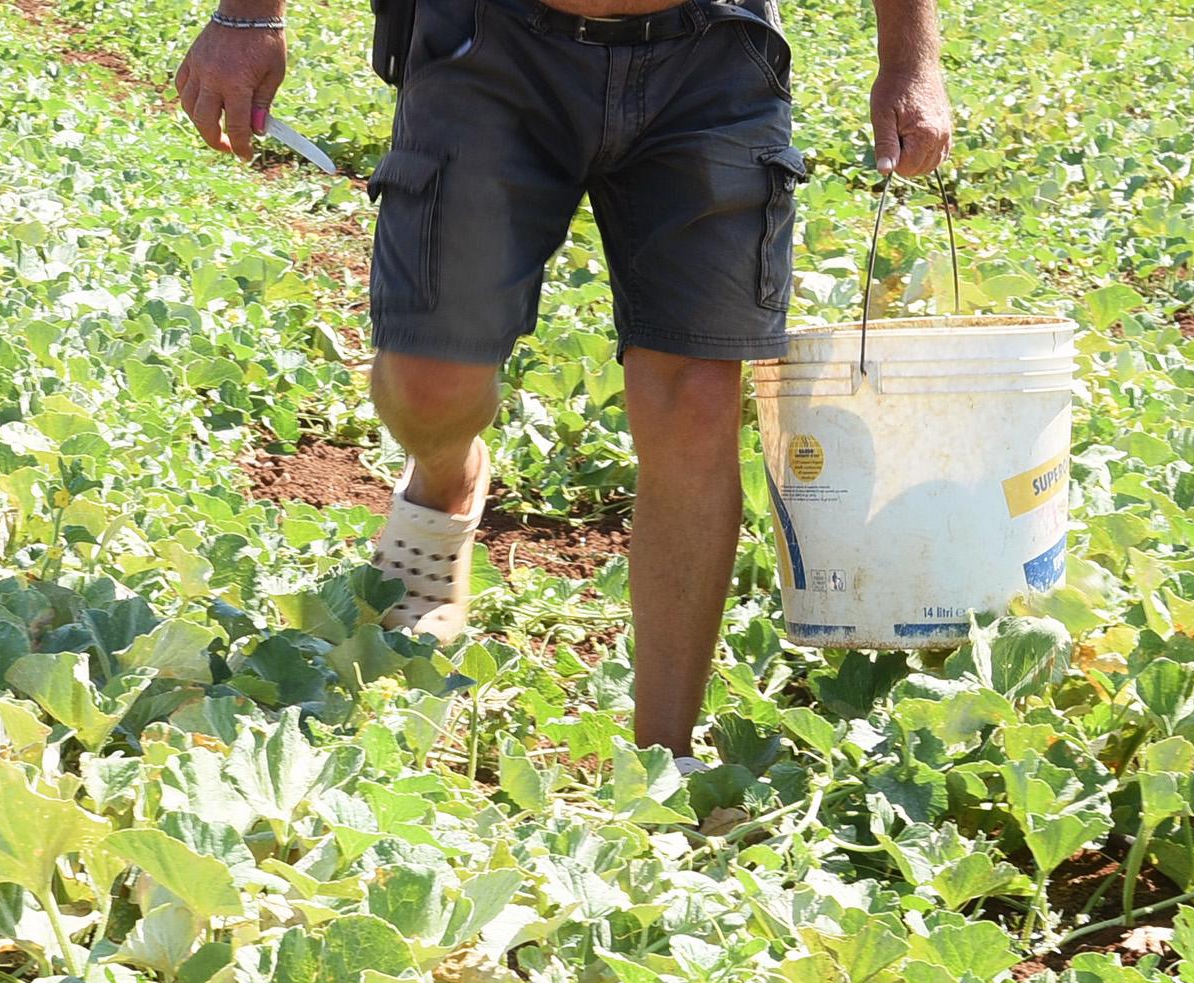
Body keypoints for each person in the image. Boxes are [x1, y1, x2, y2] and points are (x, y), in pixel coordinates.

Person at [175, 0, 950, 764]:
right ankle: (446, 483)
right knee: (430, 384)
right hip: (492, 44)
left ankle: (665, 755)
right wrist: (247, 16)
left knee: (695, 400)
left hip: (712, 57)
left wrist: (911, 58)